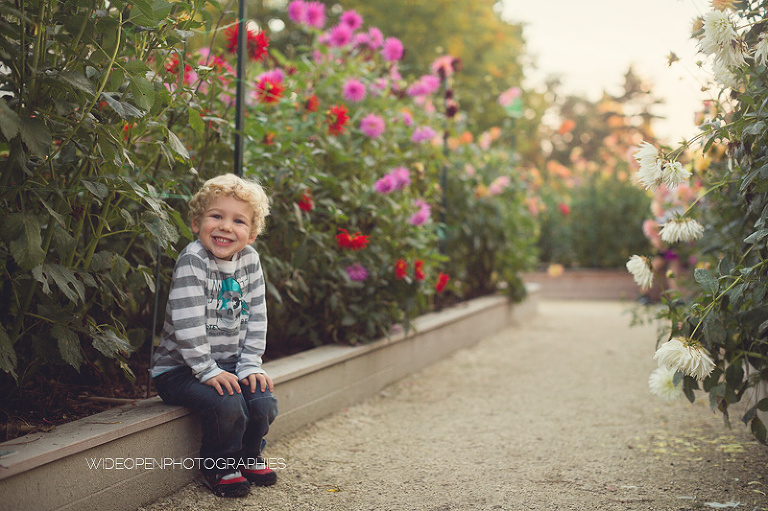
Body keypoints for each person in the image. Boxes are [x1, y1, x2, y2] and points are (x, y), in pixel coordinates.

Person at [150, 174, 278, 498]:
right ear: (196, 222)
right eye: (216, 216)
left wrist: (250, 364)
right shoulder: (194, 260)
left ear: (252, 233)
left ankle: (248, 455)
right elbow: (188, 324)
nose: (225, 227)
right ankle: (219, 464)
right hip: (180, 370)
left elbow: (257, 318)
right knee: (227, 402)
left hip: (228, 363)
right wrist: (207, 370)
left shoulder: (250, 261)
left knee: (262, 399)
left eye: (238, 221)